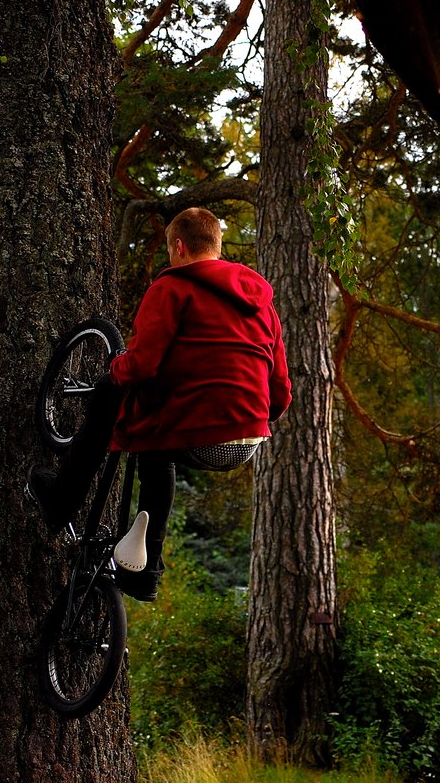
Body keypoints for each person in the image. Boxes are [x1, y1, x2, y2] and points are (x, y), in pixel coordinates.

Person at [28, 207, 291, 602]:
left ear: (180, 247)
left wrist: (115, 370)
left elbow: (143, 364)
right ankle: (143, 576)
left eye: (171, 251)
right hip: (249, 442)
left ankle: (61, 501)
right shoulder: (261, 302)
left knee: (109, 396)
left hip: (201, 436)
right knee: (157, 450)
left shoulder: (171, 288)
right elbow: (281, 388)